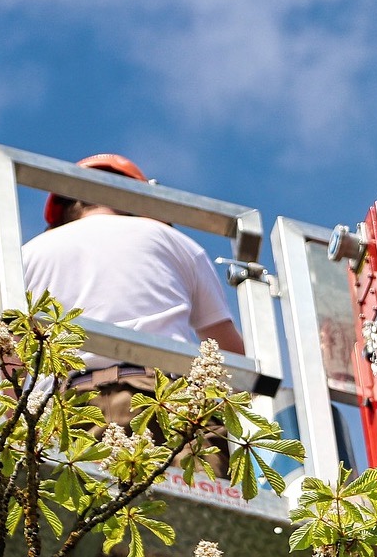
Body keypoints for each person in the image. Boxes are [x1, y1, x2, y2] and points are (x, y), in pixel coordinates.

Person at [16, 153, 246, 440]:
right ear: (139, 200)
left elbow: (8, 357)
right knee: (190, 482)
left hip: (65, 411)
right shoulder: (172, 241)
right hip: (166, 400)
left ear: (61, 209)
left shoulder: (29, 253)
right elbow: (229, 354)